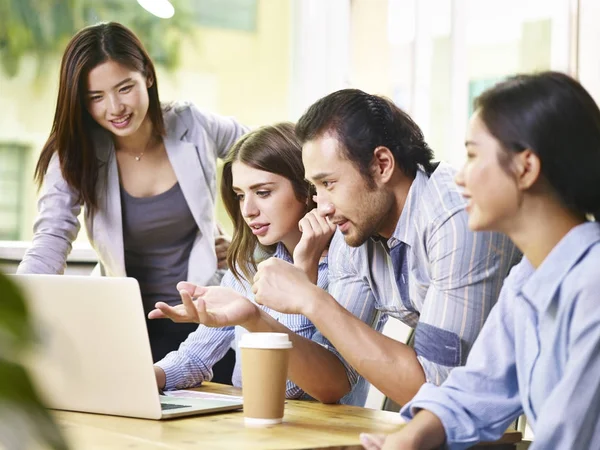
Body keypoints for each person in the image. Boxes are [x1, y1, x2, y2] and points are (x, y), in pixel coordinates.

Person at [360, 71, 600, 450]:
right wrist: (412, 438)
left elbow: (566, 440)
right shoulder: (528, 278)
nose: (460, 177)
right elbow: (476, 389)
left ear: (525, 167)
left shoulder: (592, 285)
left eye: (473, 155)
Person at [250, 88, 521, 407]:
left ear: (382, 165)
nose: (320, 206)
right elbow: (333, 381)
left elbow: (439, 391)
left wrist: (314, 300)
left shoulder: (455, 216)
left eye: (329, 183)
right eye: (315, 187)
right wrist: (254, 318)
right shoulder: (354, 232)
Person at [16, 22, 247, 379]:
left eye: (125, 88)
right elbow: (51, 240)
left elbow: (273, 161)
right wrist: (13, 318)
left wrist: (247, 247)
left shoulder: (191, 124)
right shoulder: (76, 153)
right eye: (95, 97)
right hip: (129, 327)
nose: (114, 107)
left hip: (203, 323)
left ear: (148, 78)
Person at [151, 123, 374, 405]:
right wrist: (143, 377)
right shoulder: (248, 263)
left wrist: (301, 275)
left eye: (264, 192)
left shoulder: (351, 266)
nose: (248, 210)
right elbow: (194, 358)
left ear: (306, 189)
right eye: (241, 194)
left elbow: (289, 387)